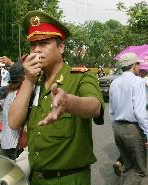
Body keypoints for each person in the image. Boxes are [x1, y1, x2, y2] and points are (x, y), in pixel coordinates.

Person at [8, 10, 104, 185]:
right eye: (33, 44)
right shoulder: (33, 81)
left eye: (44, 43)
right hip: (35, 177)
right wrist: (29, 79)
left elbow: (95, 107)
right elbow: (13, 123)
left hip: (69, 179)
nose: (36, 50)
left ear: (61, 47)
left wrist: (69, 102)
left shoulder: (80, 76)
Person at [109, 52, 148, 185]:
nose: (139, 66)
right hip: (132, 129)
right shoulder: (138, 81)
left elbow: (111, 112)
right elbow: (140, 112)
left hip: (118, 128)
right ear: (134, 65)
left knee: (128, 167)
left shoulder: (114, 82)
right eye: (138, 64)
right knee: (139, 171)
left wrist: (115, 128)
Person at [1, 61, 25, 159]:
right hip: (15, 144)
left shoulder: (10, 90)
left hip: (6, 142)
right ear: (24, 77)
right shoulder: (20, 93)